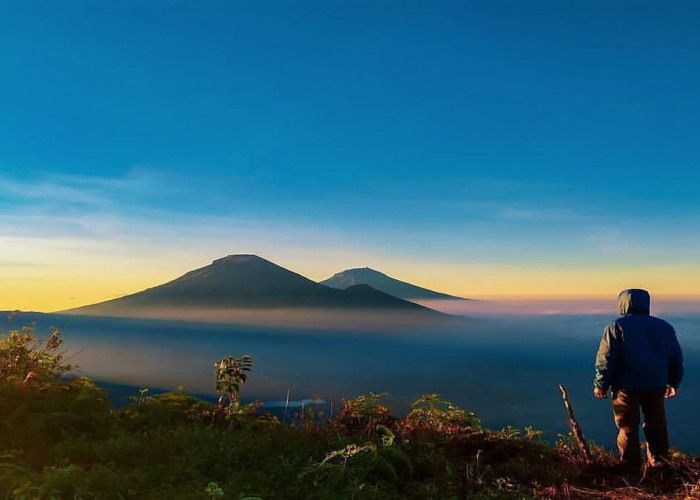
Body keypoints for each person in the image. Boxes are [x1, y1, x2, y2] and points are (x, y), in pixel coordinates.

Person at [593, 288, 684, 470]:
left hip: (626, 387)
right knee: (656, 425)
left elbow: (606, 358)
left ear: (623, 304)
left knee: (627, 427)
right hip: (656, 385)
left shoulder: (616, 326)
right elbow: (675, 357)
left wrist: (600, 384)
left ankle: (629, 465)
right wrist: (673, 382)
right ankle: (659, 464)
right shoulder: (664, 327)